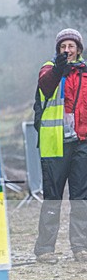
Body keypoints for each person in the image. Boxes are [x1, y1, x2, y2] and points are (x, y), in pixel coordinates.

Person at [34, 28, 87, 263]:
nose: (67, 50)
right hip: (55, 144)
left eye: (71, 46)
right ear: (58, 49)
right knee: (52, 198)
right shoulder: (48, 69)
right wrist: (58, 69)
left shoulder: (85, 72)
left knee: (81, 199)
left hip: (82, 143)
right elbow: (45, 86)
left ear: (78, 49)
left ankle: (81, 248)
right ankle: (45, 250)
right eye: (63, 46)